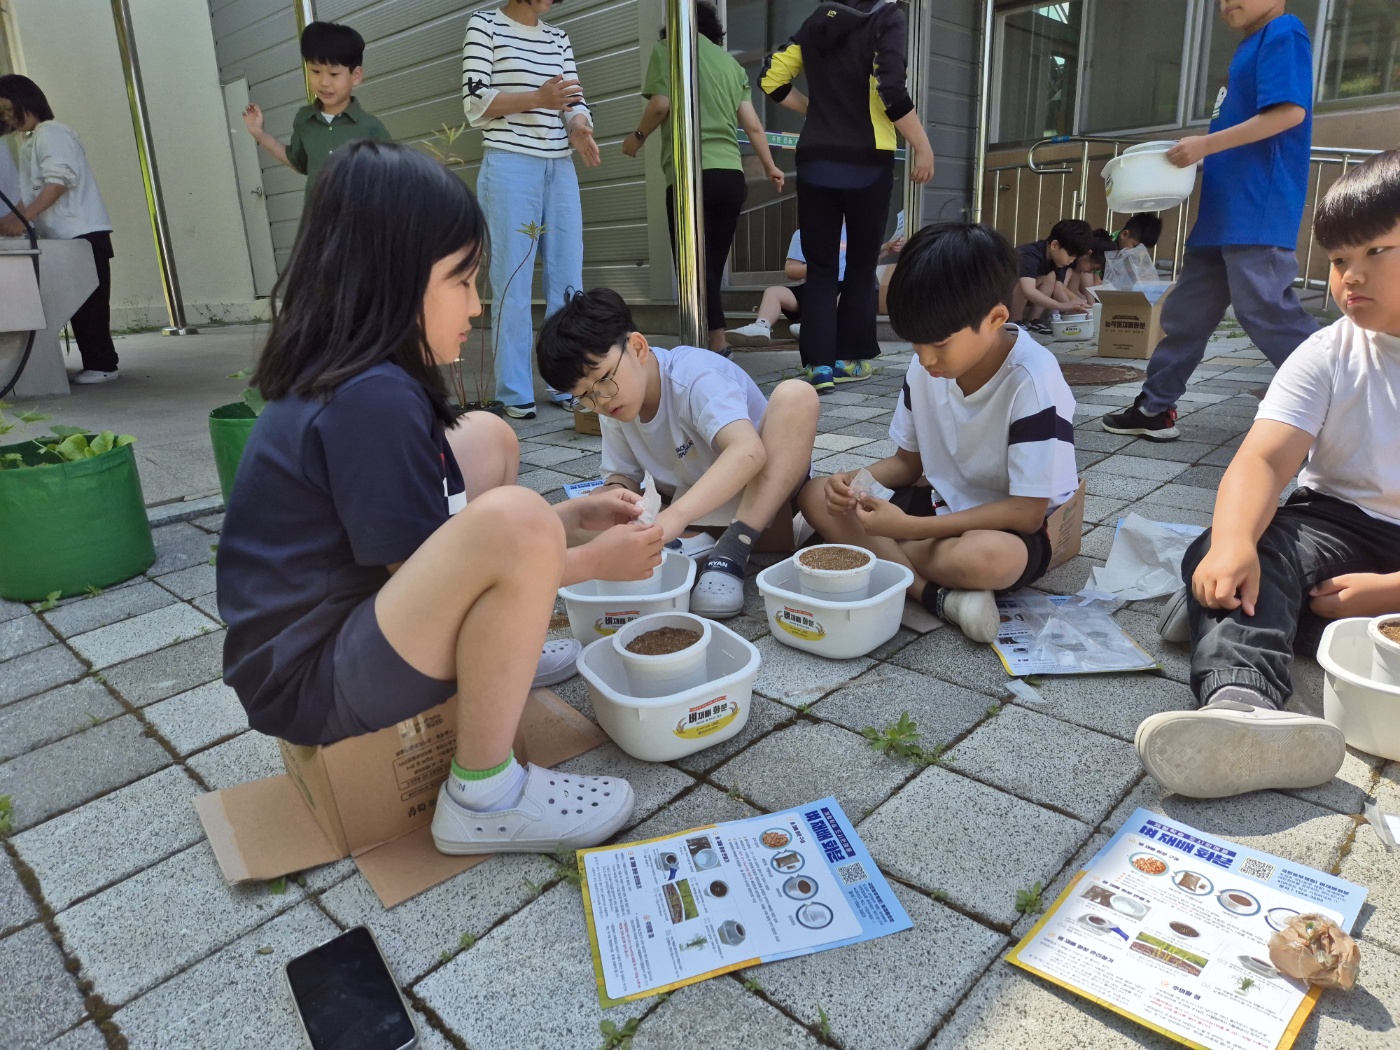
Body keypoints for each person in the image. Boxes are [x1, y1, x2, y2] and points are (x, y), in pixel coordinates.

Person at [218, 141, 665, 854]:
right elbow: (437, 565)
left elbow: (431, 548)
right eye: (461, 280)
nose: (477, 303)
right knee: (515, 520)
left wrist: (563, 523)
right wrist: (591, 560)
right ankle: (485, 795)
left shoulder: (361, 377)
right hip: (312, 679)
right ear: (389, 279)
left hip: (336, 624)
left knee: (487, 439)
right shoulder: (369, 398)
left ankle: (497, 650)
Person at [1135, 150, 1400, 800]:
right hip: (1331, 526)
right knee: (1242, 548)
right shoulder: (1328, 351)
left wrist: (1391, 590)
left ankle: (1220, 614)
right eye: (1339, 260)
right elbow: (1262, 459)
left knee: (1263, 600)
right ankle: (1242, 707)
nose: (1349, 278)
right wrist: (1231, 545)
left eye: (1374, 252)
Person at [797, 222, 1078, 643]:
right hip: (937, 504)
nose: (926, 359)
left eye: (940, 344)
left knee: (987, 559)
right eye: (914, 344)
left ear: (996, 318)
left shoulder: (1032, 382)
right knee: (816, 494)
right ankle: (938, 597)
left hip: (1006, 526)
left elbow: (1027, 512)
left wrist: (906, 529)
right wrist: (855, 483)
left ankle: (885, 564)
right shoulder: (927, 366)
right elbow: (907, 462)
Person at [1102, 0, 1316, 442]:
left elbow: (1289, 113)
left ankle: (1351, 406)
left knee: (1265, 311)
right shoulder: (1248, 47)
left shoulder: (1284, 32)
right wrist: (1197, 158)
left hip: (1257, 208)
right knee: (1187, 314)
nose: (1225, 3)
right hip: (1222, 213)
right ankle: (1155, 408)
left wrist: (1204, 145)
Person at [537, 288, 820, 618]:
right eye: (583, 396)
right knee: (561, 529)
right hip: (693, 504)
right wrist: (613, 499)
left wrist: (674, 517)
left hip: (765, 498)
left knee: (796, 395)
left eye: (603, 380)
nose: (599, 401)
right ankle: (690, 541)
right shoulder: (614, 404)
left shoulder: (693, 375)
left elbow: (748, 453)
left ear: (638, 348)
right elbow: (622, 476)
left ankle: (731, 549)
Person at [760, 0, 935, 394]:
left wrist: (814, 112)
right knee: (859, 264)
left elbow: (771, 79)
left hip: (816, 160)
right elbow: (890, 87)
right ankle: (848, 359)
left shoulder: (816, 20)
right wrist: (923, 146)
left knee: (820, 267)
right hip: (867, 162)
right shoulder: (885, 16)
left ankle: (818, 368)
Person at [462, 0, 599, 420]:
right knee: (513, 279)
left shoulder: (558, 37)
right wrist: (539, 97)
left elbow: (574, 101)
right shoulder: (483, 24)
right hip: (509, 163)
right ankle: (514, 389)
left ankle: (566, 379)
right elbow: (476, 102)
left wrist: (579, 127)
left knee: (567, 279)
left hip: (559, 167)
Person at [623, 1, 785, 356]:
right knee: (710, 263)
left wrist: (636, 137)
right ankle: (714, 340)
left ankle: (711, 341)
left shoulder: (669, 50)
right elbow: (753, 124)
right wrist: (771, 165)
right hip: (730, 176)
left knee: (692, 265)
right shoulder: (730, 64)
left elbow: (661, 104)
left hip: (690, 177)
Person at [0, 75, 119, 385]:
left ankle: (104, 363)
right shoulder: (31, 140)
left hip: (82, 233)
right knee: (81, 304)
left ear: (24, 102)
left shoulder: (52, 133)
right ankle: (98, 361)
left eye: (7, 110)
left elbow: (57, 183)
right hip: (65, 237)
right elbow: (35, 189)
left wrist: (21, 218)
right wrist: (15, 217)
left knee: (89, 306)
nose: (6, 118)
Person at [241, 21, 392, 207]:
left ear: (356, 76)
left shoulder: (371, 127)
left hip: (360, 226)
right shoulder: (304, 120)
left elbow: (394, 176)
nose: (324, 82)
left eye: (334, 74)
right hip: (318, 225)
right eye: (315, 71)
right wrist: (259, 134)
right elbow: (298, 162)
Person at [1010, 219, 1094, 332]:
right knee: (1024, 281)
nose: (1071, 260)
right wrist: (1060, 306)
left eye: (1075, 257)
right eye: (1070, 255)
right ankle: (1014, 322)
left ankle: (1033, 320)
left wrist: (1080, 306)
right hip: (997, 295)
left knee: (1050, 277)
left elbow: (1059, 288)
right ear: (1055, 245)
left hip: (1016, 293)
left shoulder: (1057, 260)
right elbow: (1028, 290)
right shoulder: (1029, 254)